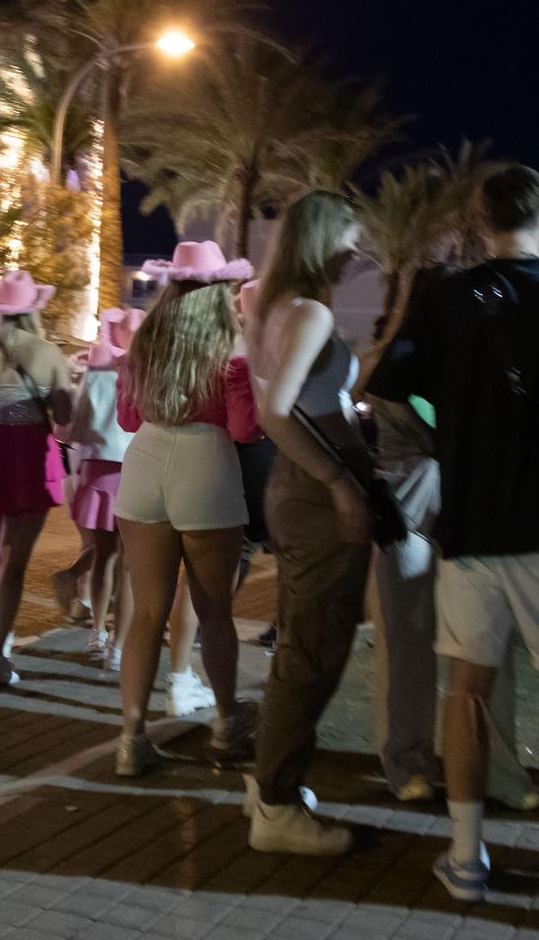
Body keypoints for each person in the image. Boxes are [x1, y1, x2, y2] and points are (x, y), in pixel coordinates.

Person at [370, 163, 539, 899]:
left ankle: (466, 856)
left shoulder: (447, 299)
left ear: (478, 220)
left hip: (470, 526)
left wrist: (450, 421)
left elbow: (388, 382)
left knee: (465, 689)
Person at [363, 268, 537, 811]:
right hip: (409, 514)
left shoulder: (480, 356)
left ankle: (499, 767)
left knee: (489, 643)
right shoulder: (397, 361)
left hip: (472, 513)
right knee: (407, 640)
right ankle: (407, 762)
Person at [240, 194, 373, 854]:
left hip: (294, 485)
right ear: (324, 240)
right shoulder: (312, 311)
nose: (358, 251)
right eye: (352, 237)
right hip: (316, 486)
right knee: (315, 645)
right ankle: (277, 802)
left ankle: (273, 777)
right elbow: (276, 410)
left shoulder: (273, 305)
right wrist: (341, 481)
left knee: (301, 638)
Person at [112, 240, 260, 778]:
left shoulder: (146, 339)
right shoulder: (231, 343)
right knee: (214, 610)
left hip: (145, 462)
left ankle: (132, 738)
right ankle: (225, 722)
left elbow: (128, 419)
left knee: (147, 612)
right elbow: (245, 429)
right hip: (206, 464)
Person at [0, 270, 74, 685]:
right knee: (14, 561)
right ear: (33, 309)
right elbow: (65, 417)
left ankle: (0, 640)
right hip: (28, 453)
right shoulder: (48, 353)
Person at [59, 309, 139, 670]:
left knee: (103, 557)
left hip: (97, 471)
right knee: (129, 565)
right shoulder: (146, 371)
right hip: (137, 470)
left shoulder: (96, 371)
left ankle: (97, 630)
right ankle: (119, 648)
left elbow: (74, 429)